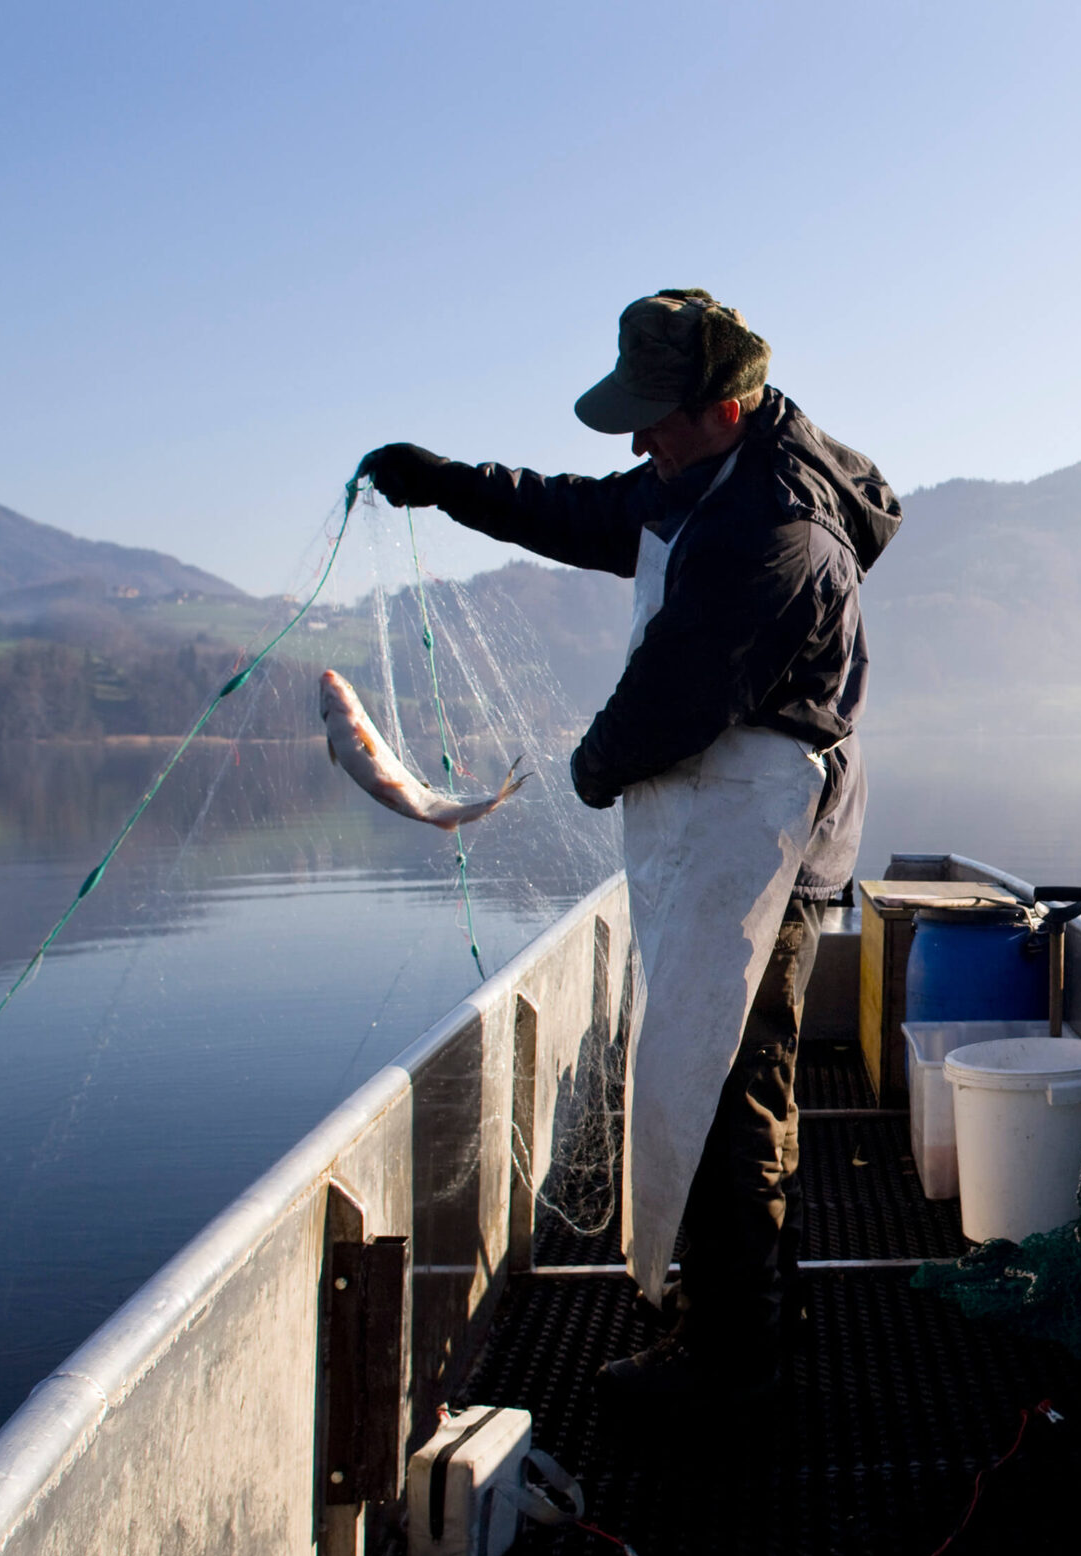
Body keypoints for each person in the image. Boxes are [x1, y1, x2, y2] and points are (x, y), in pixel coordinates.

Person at [356, 290, 900, 1411]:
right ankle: (758, 1306)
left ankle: (730, 1358)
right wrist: (451, 483)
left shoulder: (771, 529)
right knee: (729, 1078)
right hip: (734, 829)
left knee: (723, 1090)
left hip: (761, 842)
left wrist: (589, 768)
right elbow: (585, 515)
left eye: (656, 417)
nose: (636, 439)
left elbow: (672, 695)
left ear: (730, 409)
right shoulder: (699, 479)